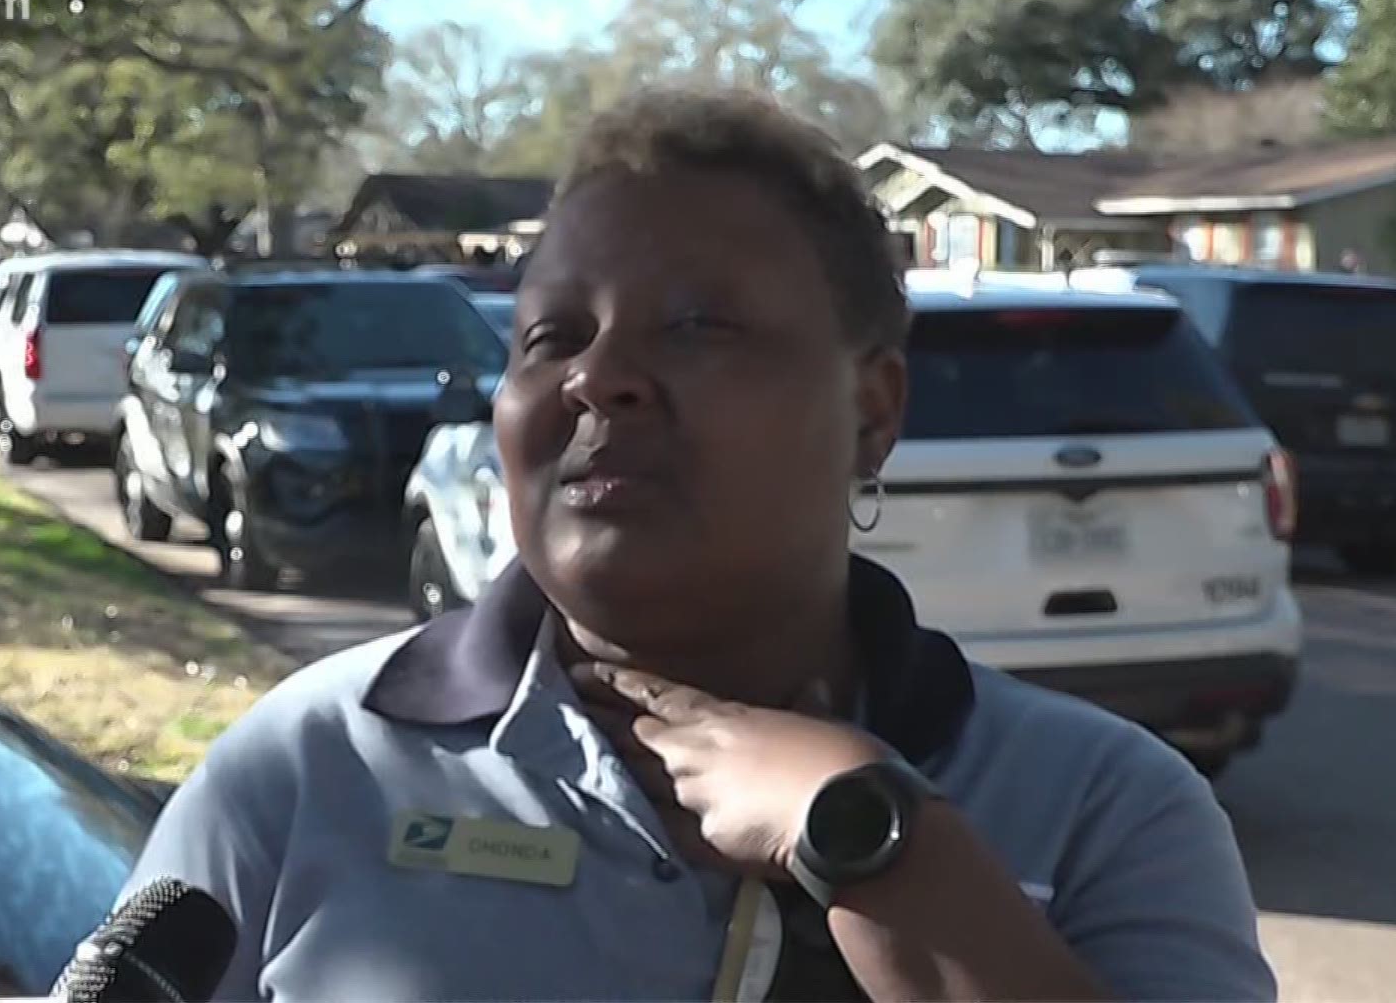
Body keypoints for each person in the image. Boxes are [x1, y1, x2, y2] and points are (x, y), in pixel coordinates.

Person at [105, 88, 1275, 1001]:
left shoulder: (1106, 813)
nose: (599, 377)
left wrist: (877, 842)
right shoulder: (309, 769)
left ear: (873, 411)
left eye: (700, 324)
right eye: (550, 334)